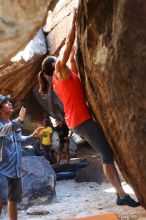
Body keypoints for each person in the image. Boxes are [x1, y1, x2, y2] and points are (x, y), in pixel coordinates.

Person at [38, 9, 140, 207]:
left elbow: (74, 64)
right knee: (106, 153)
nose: (59, 59)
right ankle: (120, 194)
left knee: (107, 152)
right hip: (80, 121)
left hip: (79, 119)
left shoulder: (66, 75)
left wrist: (76, 51)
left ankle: (121, 192)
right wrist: (75, 21)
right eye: (56, 59)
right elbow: (67, 46)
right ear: (54, 66)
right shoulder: (59, 72)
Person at [0, 94, 42, 220]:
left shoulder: (13, 123)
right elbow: (5, 131)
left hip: (15, 169)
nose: (10, 104)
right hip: (1, 170)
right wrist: (20, 120)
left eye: (9, 102)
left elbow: (20, 141)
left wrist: (32, 137)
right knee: (0, 200)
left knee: (13, 199)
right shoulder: (6, 125)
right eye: (6, 103)